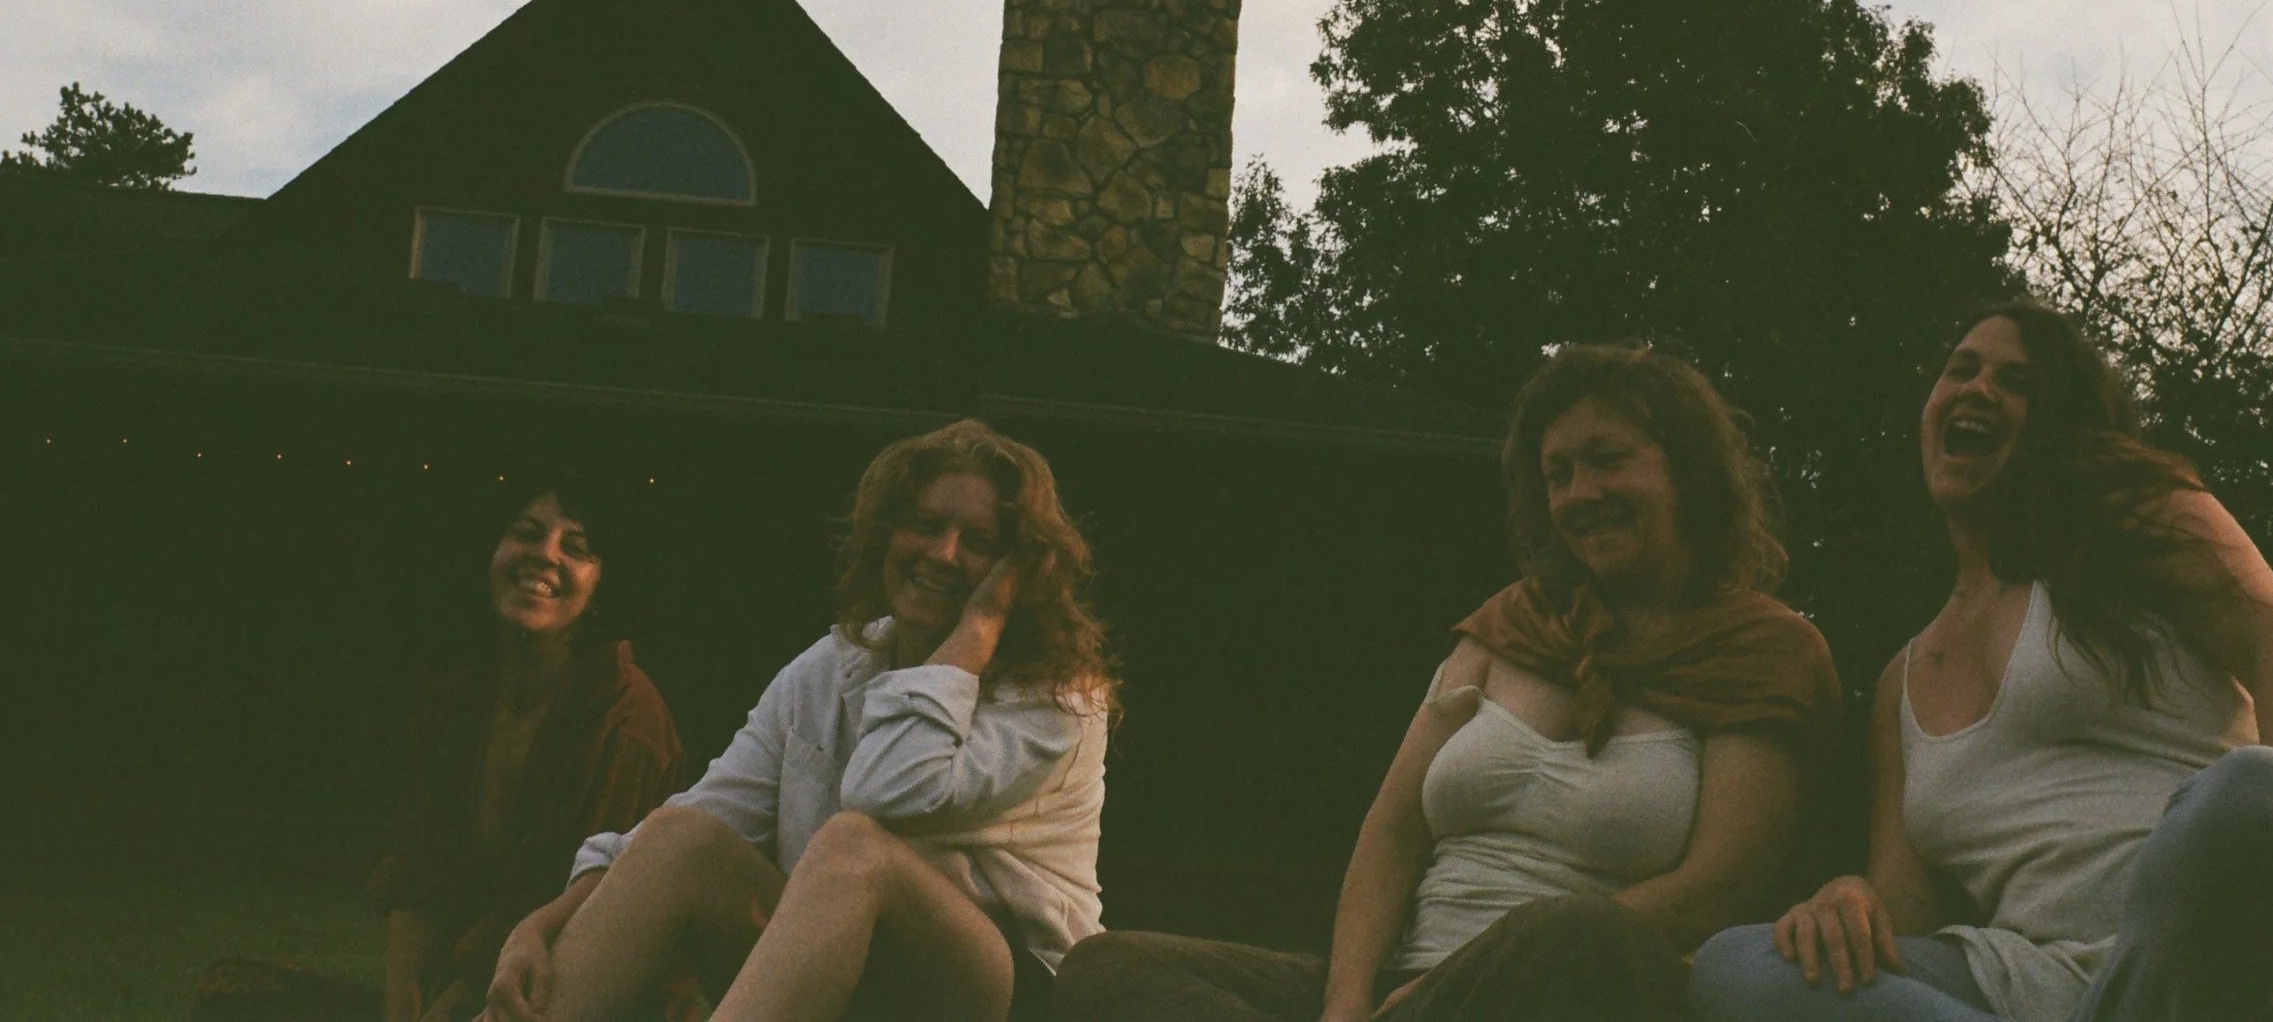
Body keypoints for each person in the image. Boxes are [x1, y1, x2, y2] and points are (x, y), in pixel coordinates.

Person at [1690, 300, 2273, 1022]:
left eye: (2017, 382)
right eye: (1961, 369)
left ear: (2059, 423)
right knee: (1741, 963)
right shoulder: (1902, 681)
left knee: (2258, 792)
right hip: (2048, 981)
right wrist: (1848, 900)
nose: (1979, 387)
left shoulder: (2133, 520)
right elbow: (1904, 912)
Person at [1055, 343, 1841, 1022]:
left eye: (1608, 461)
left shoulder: (1763, 653)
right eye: (1558, 474)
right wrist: (1346, 1002)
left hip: (1571, 989)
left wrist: (1458, 981)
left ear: (1687, 471)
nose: (1579, 495)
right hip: (1404, 995)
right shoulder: (1508, 630)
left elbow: (1717, 887)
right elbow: (1394, 828)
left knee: (1574, 933)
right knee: (1107, 969)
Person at [483, 419, 1115, 1022]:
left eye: (978, 543)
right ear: (888, 534)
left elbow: (889, 789)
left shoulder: (1058, 699)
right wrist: (542, 923)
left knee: (855, 846)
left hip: (1003, 997)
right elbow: (701, 814)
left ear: (1018, 571)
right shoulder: (835, 664)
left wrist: (975, 632)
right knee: (683, 835)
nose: (943, 554)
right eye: (924, 526)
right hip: (840, 979)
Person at [368, 478, 687, 1022]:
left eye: (577, 548)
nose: (544, 555)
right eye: (527, 534)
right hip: (465, 987)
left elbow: (572, 903)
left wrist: (460, 999)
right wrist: (403, 993)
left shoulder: (626, 715)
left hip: (572, 995)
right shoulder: (459, 700)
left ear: (601, 590)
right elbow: (420, 865)